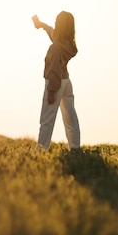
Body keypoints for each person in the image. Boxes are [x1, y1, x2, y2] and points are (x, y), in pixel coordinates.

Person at [32, 11, 81, 150]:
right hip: (66, 83)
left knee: (47, 119)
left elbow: (53, 71)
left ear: (59, 25)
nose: (54, 23)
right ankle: (75, 148)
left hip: (56, 83)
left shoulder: (55, 48)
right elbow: (53, 33)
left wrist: (52, 92)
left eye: (56, 21)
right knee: (70, 118)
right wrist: (42, 25)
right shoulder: (68, 45)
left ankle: (41, 150)